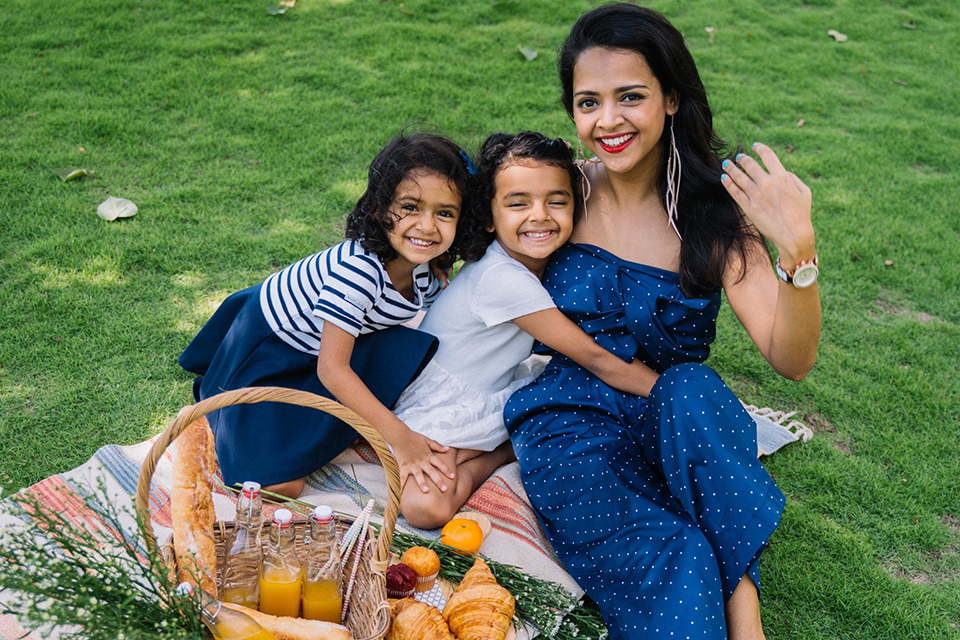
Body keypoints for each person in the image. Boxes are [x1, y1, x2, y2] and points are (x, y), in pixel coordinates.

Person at [503, 4, 821, 640]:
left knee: (693, 388)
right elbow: (477, 287)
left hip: (671, 411)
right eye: (587, 101)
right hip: (573, 420)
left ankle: (743, 604)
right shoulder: (558, 198)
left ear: (671, 99)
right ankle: (718, 579)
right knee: (676, 560)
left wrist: (798, 254)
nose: (607, 120)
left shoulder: (715, 217)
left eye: (631, 97)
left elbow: (792, 360)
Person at [178, 132, 471, 499]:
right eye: (410, 207)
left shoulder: (427, 267)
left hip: (326, 345)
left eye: (444, 213)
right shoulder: (359, 272)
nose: (427, 226)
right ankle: (228, 413)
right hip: (272, 347)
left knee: (407, 352)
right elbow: (332, 370)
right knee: (276, 484)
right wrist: (402, 440)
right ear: (380, 209)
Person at [391, 131, 659, 530]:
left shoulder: (538, 257)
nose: (540, 216)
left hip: (490, 386)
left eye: (557, 201)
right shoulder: (503, 279)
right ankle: (501, 452)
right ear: (487, 217)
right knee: (425, 509)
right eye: (518, 203)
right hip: (443, 403)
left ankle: (486, 448)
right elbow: (594, 356)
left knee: (427, 502)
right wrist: (666, 392)